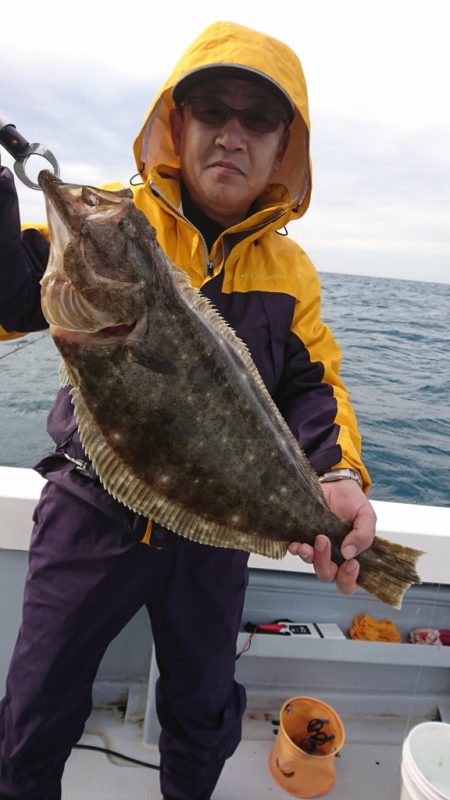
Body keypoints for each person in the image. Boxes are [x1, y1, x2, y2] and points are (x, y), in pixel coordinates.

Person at [0, 20, 376, 800]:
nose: (232, 135)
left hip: (212, 536)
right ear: (178, 125)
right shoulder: (115, 227)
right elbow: (19, 290)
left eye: (258, 119)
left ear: (284, 148)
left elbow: (313, 386)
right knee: (34, 710)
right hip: (89, 510)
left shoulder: (289, 271)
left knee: (204, 712)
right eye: (212, 110)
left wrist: (336, 475)